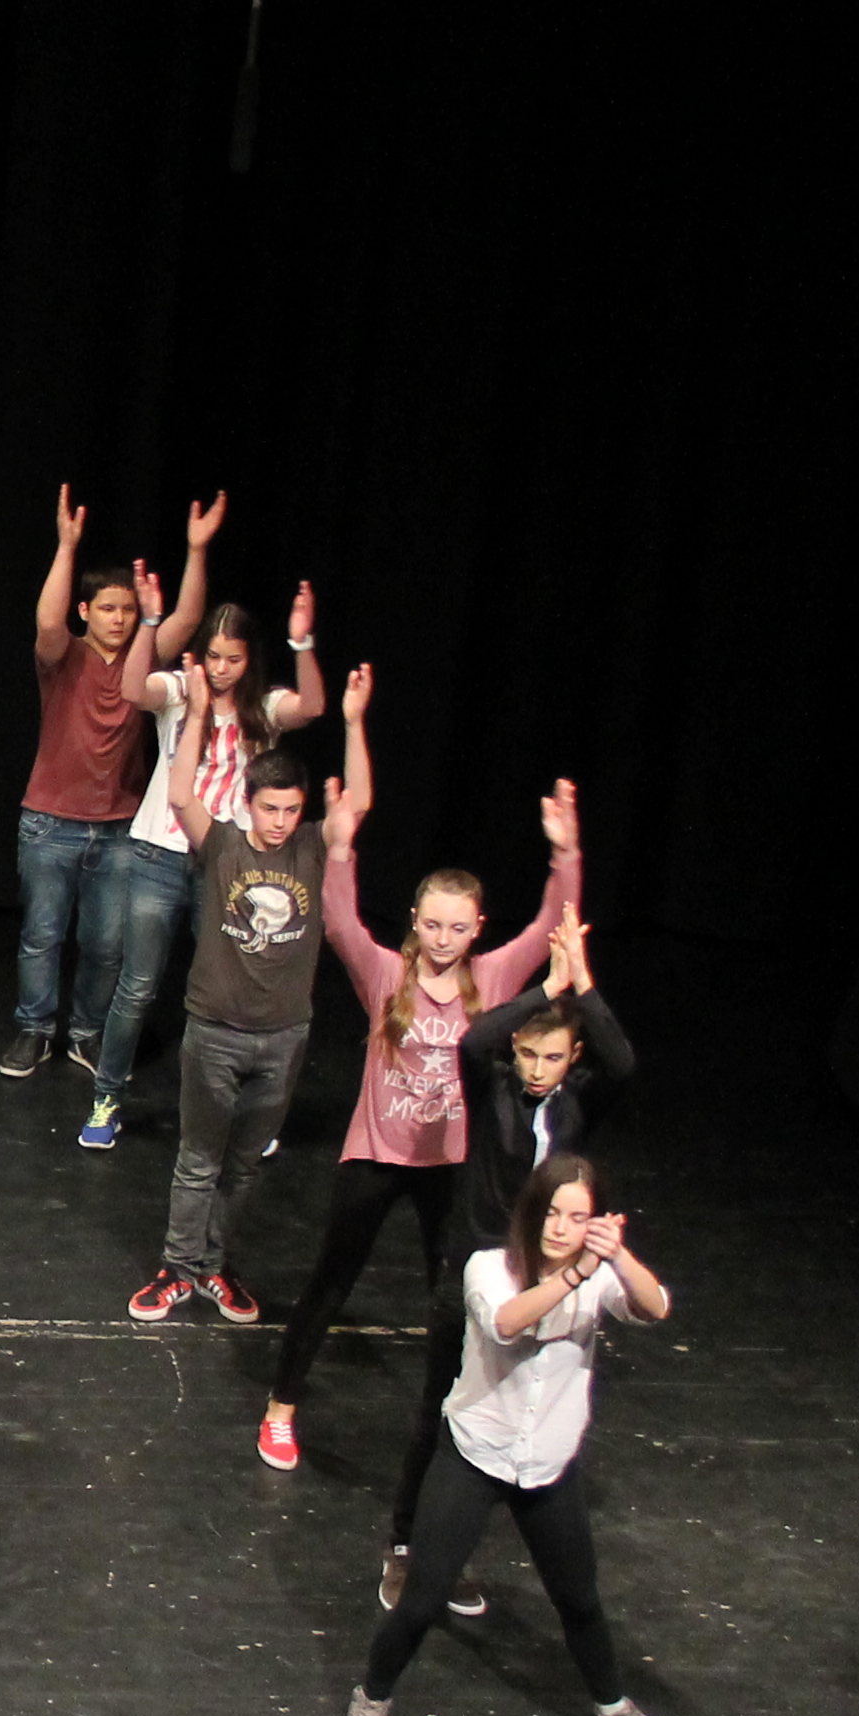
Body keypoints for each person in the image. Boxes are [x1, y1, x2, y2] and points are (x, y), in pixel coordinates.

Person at [252, 674, 584, 1476]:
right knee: (332, 1280)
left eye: (457, 927)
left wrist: (565, 854)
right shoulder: (385, 975)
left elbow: (550, 925)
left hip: (451, 1167)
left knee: (453, 1292)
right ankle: (281, 1406)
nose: (442, 938)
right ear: (415, 922)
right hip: (376, 1156)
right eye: (431, 924)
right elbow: (339, 921)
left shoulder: (494, 978)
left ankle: (458, 1416)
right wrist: (339, 846)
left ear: (476, 929)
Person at [341, 1158, 688, 1716]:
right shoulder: (488, 1267)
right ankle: (371, 1698)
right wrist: (579, 1272)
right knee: (421, 1602)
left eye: (577, 1217)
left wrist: (617, 1256)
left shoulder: (599, 1275)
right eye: (552, 1212)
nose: (561, 1228)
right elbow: (506, 1324)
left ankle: (614, 1708)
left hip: (548, 1464)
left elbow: (655, 1306)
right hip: (475, 1454)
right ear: (532, 1212)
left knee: (579, 1600)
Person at [381, 912, 632, 1609]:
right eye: (528, 1055)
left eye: (553, 1058)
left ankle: (453, 1546)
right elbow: (474, 1039)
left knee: (515, 1412)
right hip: (477, 1271)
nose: (538, 1069)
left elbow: (623, 1063)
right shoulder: (490, 1085)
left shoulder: (578, 1104)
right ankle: (406, 1546)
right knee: (443, 1408)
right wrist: (543, 988)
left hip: (546, 1281)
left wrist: (582, 985)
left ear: (571, 1058)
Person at [89, 567, 325, 1148]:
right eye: (214, 656)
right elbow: (131, 689)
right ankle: (105, 1099)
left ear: (250, 660)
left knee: (232, 989)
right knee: (137, 986)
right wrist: (149, 621)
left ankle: (241, 1116)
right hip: (159, 854)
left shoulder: (263, 707)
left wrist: (303, 644)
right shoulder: (180, 691)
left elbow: (313, 707)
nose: (220, 669)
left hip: (229, 865)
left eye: (233, 660)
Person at [126, 704, 329, 1333]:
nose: (280, 821)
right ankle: (177, 1267)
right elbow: (180, 794)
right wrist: (194, 717)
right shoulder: (222, 847)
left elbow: (357, 810)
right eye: (270, 809)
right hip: (215, 1032)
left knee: (242, 1166)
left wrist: (351, 722)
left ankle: (214, 1265)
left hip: (283, 1037)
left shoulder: (312, 849)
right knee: (198, 1160)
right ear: (249, 804)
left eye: (291, 810)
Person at [0, 485, 173, 1084]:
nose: (118, 619)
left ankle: (86, 1033)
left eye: (126, 610)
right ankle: (34, 1028)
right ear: (86, 611)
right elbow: (47, 621)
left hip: (120, 828)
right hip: (50, 822)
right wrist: (66, 546)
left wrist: (197, 553)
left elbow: (186, 623)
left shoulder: (143, 660)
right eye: (107, 608)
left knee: (105, 944)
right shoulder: (64, 655)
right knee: (42, 935)